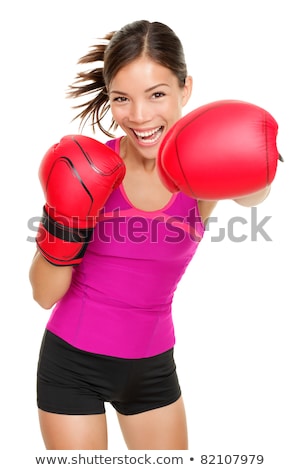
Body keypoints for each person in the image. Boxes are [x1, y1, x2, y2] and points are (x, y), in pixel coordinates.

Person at [29, 20, 279, 450]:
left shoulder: (197, 173)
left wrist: (251, 153)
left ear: (186, 90)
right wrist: (64, 222)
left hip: (153, 369)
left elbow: (254, 197)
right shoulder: (87, 169)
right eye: (122, 99)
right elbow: (43, 295)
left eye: (157, 94)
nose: (140, 116)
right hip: (71, 366)